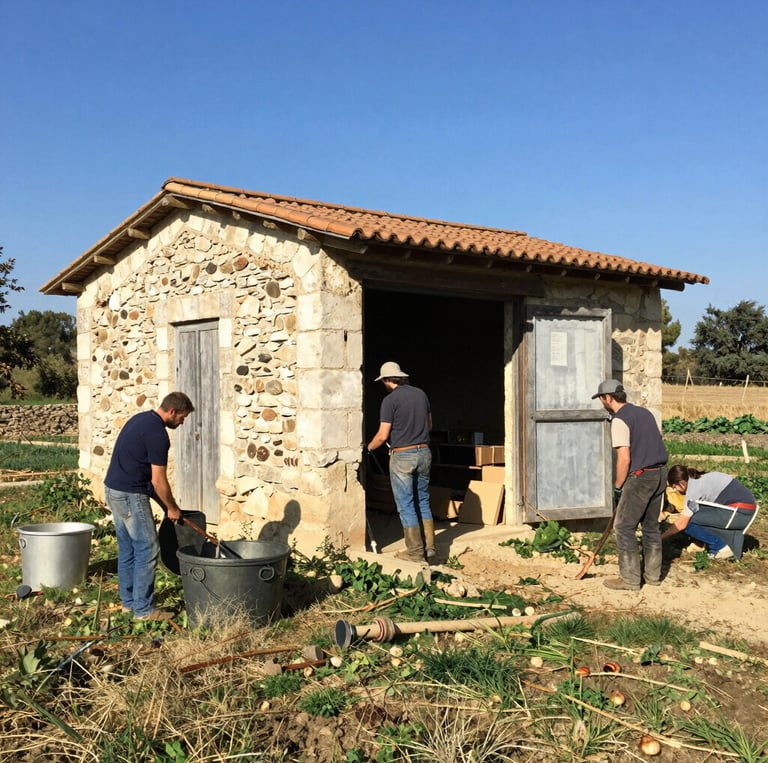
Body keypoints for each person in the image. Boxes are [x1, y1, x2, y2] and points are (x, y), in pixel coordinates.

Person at [104, 391, 194, 620]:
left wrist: (166, 506)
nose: (182, 422)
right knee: (148, 548)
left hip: (114, 490)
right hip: (130, 495)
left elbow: (145, 476)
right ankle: (143, 610)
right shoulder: (158, 435)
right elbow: (158, 481)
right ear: (172, 411)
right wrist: (172, 507)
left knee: (128, 548)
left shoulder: (140, 419)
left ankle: (128, 603)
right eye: (182, 417)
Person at [593, 379, 668, 590]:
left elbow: (624, 459)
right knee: (651, 527)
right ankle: (653, 576)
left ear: (608, 398)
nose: (601, 402)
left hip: (641, 477)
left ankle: (630, 579)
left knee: (624, 527)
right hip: (660, 472)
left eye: (601, 398)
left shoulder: (620, 420)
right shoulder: (644, 413)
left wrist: (618, 486)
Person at [367, 361, 435, 564]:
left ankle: (415, 552)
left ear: (387, 380)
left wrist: (368, 448)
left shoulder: (389, 401)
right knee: (423, 500)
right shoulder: (421, 394)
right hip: (424, 452)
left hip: (403, 456)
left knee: (406, 504)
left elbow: (382, 435)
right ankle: (429, 548)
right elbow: (430, 425)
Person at [662, 465, 757, 559]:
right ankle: (704, 543)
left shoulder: (693, 490)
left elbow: (681, 524)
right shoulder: (699, 479)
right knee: (696, 514)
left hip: (739, 513)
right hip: (746, 509)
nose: (675, 490)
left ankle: (721, 546)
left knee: (689, 521)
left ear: (681, 483)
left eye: (675, 487)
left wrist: (661, 538)